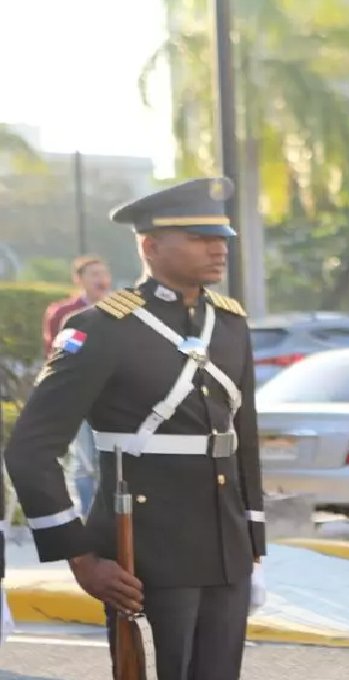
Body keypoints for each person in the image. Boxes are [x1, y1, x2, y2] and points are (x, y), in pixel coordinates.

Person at [4, 177, 266, 680]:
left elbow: (243, 439)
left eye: (221, 238)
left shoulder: (230, 323)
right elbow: (30, 450)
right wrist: (79, 555)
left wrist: (252, 542)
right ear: (149, 245)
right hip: (144, 548)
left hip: (225, 546)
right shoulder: (101, 328)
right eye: (198, 238)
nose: (217, 249)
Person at [42, 255, 112, 516]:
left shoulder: (121, 311)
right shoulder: (64, 314)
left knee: (110, 461)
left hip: (115, 397)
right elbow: (57, 355)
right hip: (81, 398)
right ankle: (88, 516)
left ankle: (112, 518)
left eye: (103, 273)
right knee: (84, 463)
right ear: (79, 280)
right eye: (93, 274)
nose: (100, 279)